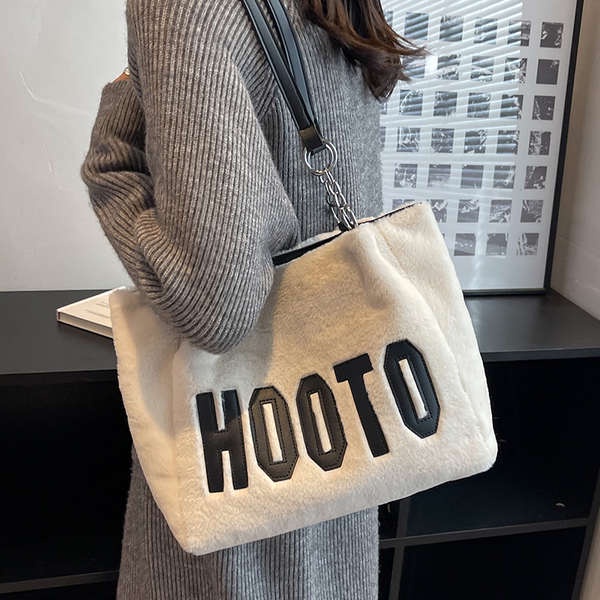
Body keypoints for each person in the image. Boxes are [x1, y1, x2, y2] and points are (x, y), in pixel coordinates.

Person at [80, 0, 422, 597]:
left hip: (242, 525)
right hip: (341, 485)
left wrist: (113, 157)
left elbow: (216, 306)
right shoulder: (331, 9)